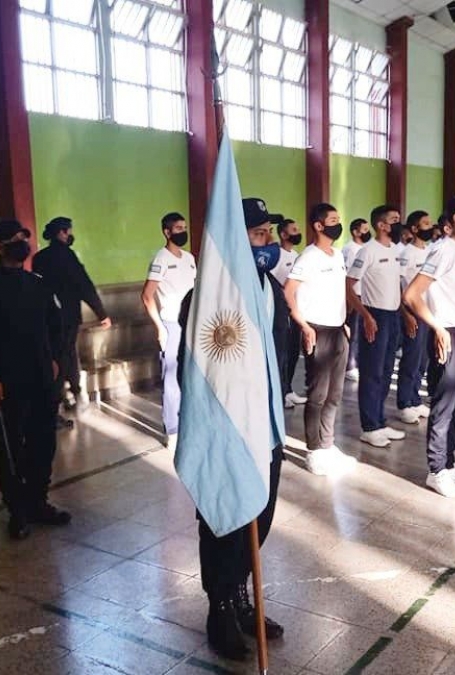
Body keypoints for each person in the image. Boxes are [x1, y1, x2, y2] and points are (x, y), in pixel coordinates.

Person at [179, 197, 288, 661]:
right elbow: (194, 372)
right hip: (225, 432)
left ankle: (242, 597)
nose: (268, 242)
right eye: (258, 234)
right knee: (223, 523)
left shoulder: (271, 288)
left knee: (259, 518)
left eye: (268, 233)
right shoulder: (206, 299)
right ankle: (219, 608)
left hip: (267, 430)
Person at [0, 220, 70, 540]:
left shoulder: (38, 283)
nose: (22, 243)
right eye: (14, 239)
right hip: (8, 382)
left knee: (43, 443)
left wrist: (55, 358)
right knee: (12, 448)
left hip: (42, 377)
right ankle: (17, 510)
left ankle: (38, 501)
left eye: (24, 237)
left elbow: (56, 326)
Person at [403, 195, 455, 498]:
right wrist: (437, 327)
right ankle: (436, 471)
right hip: (447, 334)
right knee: (444, 406)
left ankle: (449, 464)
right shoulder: (443, 250)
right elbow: (412, 295)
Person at [285, 203, 356, 475]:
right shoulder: (308, 257)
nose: (337, 224)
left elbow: (338, 291)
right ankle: (313, 450)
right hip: (317, 330)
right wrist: (304, 325)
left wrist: (344, 322)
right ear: (318, 225)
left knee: (335, 393)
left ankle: (327, 444)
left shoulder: (337, 255)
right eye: (333, 220)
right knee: (318, 394)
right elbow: (288, 292)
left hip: (338, 330)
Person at [32, 217, 111, 413]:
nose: (70, 235)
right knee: (65, 355)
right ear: (62, 233)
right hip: (67, 316)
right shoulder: (67, 256)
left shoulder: (39, 258)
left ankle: (66, 394)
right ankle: (65, 396)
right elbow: (84, 285)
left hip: (47, 316)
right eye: (69, 231)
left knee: (57, 354)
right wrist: (101, 313)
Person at [346, 205, 407, 448]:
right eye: (394, 219)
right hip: (375, 315)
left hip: (393, 315)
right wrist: (366, 316)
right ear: (381, 225)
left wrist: (405, 314)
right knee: (372, 372)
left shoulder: (395, 250)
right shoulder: (367, 251)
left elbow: (396, 286)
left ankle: (380, 420)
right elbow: (348, 286)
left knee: (387, 369)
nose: (398, 223)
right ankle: (369, 426)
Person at [141, 213, 197, 450]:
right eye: (178, 228)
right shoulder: (161, 258)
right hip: (172, 324)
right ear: (167, 232)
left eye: (184, 227)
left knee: (191, 376)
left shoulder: (190, 258)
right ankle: (172, 430)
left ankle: (191, 422)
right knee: (172, 378)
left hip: (191, 323)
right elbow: (147, 295)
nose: (183, 231)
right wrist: (160, 328)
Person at [396, 211, 433, 424]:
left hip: (427, 311)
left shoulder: (430, 251)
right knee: (411, 358)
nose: (430, 226)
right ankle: (404, 403)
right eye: (425, 224)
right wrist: (406, 314)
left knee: (422, 359)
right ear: (415, 229)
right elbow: (398, 285)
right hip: (412, 312)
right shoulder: (407, 253)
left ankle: (415, 398)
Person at [272, 218, 307, 408]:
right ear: (283, 234)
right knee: (283, 354)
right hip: (281, 311)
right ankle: (280, 391)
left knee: (293, 352)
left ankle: (288, 389)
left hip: (296, 311)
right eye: (293, 230)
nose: (297, 233)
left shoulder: (296, 255)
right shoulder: (276, 255)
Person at [342, 218, 372, 381]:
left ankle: (358, 362)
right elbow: (347, 275)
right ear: (355, 232)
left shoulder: (366, 248)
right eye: (364, 229)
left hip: (366, 294)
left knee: (361, 331)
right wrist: (349, 298)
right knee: (353, 331)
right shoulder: (350, 249)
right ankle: (350, 365)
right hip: (355, 294)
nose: (368, 232)